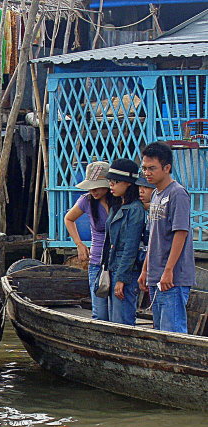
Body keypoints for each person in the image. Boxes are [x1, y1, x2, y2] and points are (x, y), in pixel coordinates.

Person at [138, 141, 195, 333]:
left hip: (173, 277)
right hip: (156, 274)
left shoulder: (177, 194)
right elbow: (154, 238)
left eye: (152, 168)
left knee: (173, 332)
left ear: (167, 167)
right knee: (160, 332)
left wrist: (169, 270)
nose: (147, 173)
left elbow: (181, 233)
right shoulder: (155, 195)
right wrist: (145, 270)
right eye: (145, 168)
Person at [64, 161, 118, 320]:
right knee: (100, 313)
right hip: (96, 262)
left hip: (119, 262)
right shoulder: (86, 200)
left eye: (97, 187)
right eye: (91, 187)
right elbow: (69, 219)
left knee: (118, 314)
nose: (93, 191)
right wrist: (79, 244)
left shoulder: (120, 200)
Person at [104, 159, 145, 325]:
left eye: (116, 182)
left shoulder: (135, 209)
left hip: (125, 269)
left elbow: (131, 246)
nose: (111, 186)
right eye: (110, 182)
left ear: (128, 184)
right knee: (115, 318)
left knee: (123, 318)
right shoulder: (117, 205)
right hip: (114, 266)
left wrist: (122, 278)